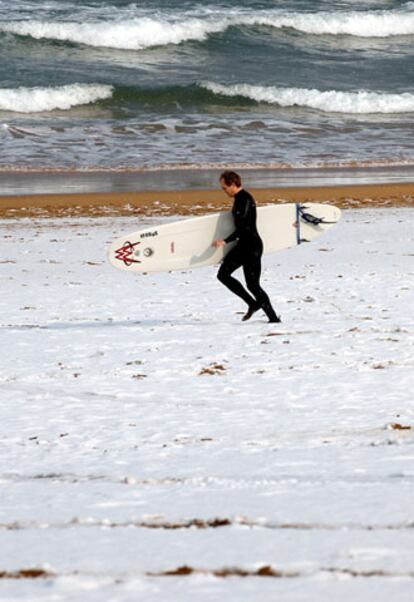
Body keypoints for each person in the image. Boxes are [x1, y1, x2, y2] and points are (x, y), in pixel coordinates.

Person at [212, 170, 281, 323]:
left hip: (251, 247)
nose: (224, 191)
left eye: (224, 188)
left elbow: (244, 227)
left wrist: (225, 241)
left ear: (232, 184)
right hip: (243, 245)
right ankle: (253, 304)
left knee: (253, 285)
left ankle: (273, 318)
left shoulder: (245, 199)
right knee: (224, 275)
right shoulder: (238, 199)